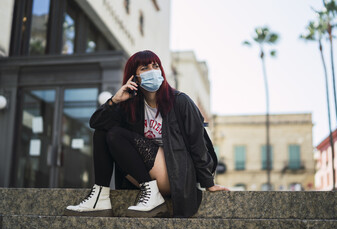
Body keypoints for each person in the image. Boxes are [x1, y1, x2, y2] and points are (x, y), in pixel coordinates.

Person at [65, 50, 229, 218]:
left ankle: (153, 196)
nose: (152, 70)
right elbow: (96, 123)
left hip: (174, 174)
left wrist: (208, 182)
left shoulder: (180, 101)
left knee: (115, 134)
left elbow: (198, 144)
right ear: (133, 77)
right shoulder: (131, 106)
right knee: (104, 131)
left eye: (155, 66)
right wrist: (114, 100)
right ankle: (100, 196)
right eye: (145, 67)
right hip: (144, 177)